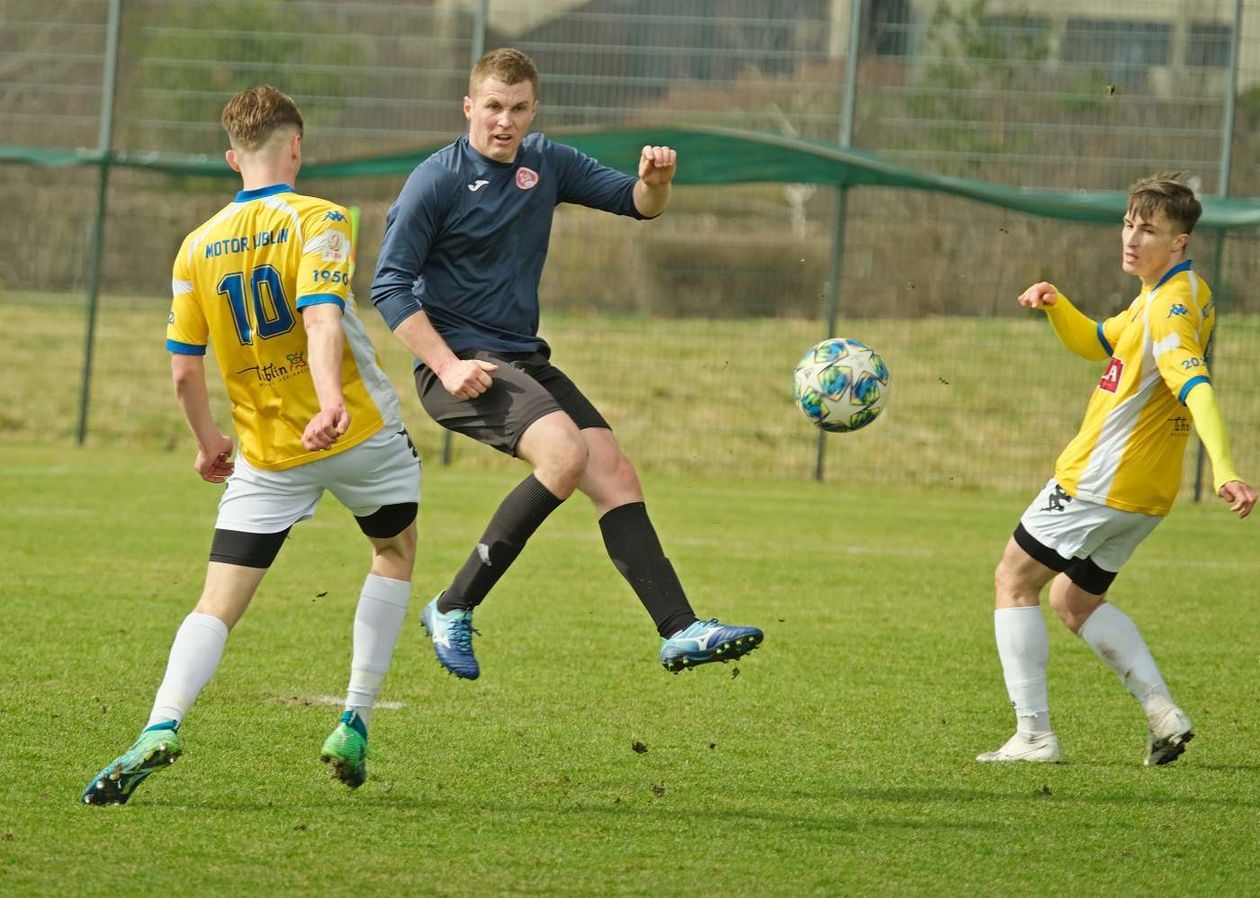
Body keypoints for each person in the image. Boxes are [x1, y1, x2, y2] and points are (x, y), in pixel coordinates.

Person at [370, 48, 762, 681]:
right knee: (564, 455)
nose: (505, 121)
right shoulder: (435, 180)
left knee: (614, 474)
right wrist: (445, 366)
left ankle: (680, 628)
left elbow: (636, 203)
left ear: (533, 110)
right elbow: (389, 287)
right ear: (469, 107)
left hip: (522, 358)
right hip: (459, 364)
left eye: (518, 108)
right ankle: (453, 605)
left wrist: (656, 182)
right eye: (493, 107)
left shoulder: (546, 161)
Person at [82, 86, 421, 805]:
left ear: (231, 158)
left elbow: (182, 370)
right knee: (392, 552)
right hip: (356, 431)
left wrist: (209, 442)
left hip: (265, 453)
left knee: (216, 602)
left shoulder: (195, 246)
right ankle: (355, 718)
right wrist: (330, 401)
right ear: (296, 146)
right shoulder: (323, 220)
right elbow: (322, 318)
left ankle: (159, 724)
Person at [978, 172, 1256, 766]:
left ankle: (1033, 736)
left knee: (1013, 580)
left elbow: (1197, 386)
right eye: (1129, 224)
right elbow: (1100, 340)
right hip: (1145, 494)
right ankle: (1162, 713)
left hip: (1099, 478)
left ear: (1179, 241)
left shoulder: (1171, 310)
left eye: (1149, 229)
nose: (1131, 238)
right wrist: (1057, 306)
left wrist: (1226, 469)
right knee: (1071, 601)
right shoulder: (1168, 293)